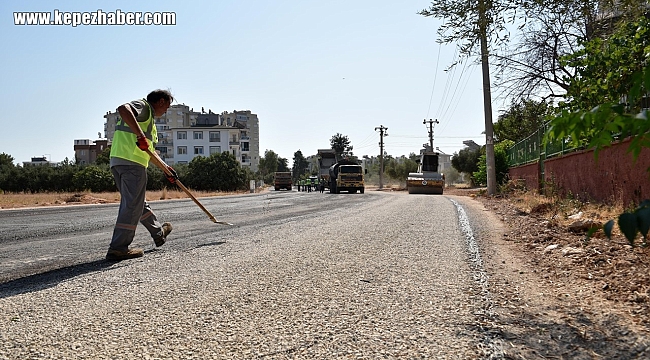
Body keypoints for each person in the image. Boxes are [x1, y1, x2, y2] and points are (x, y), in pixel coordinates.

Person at [106, 89, 176, 261]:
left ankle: (158, 233)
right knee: (131, 206)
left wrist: (167, 169)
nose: (166, 110)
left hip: (119, 161)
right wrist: (140, 135)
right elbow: (123, 108)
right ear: (160, 101)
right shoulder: (144, 107)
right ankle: (118, 248)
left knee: (137, 203)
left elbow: (150, 151)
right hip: (132, 165)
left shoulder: (149, 121)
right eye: (167, 106)